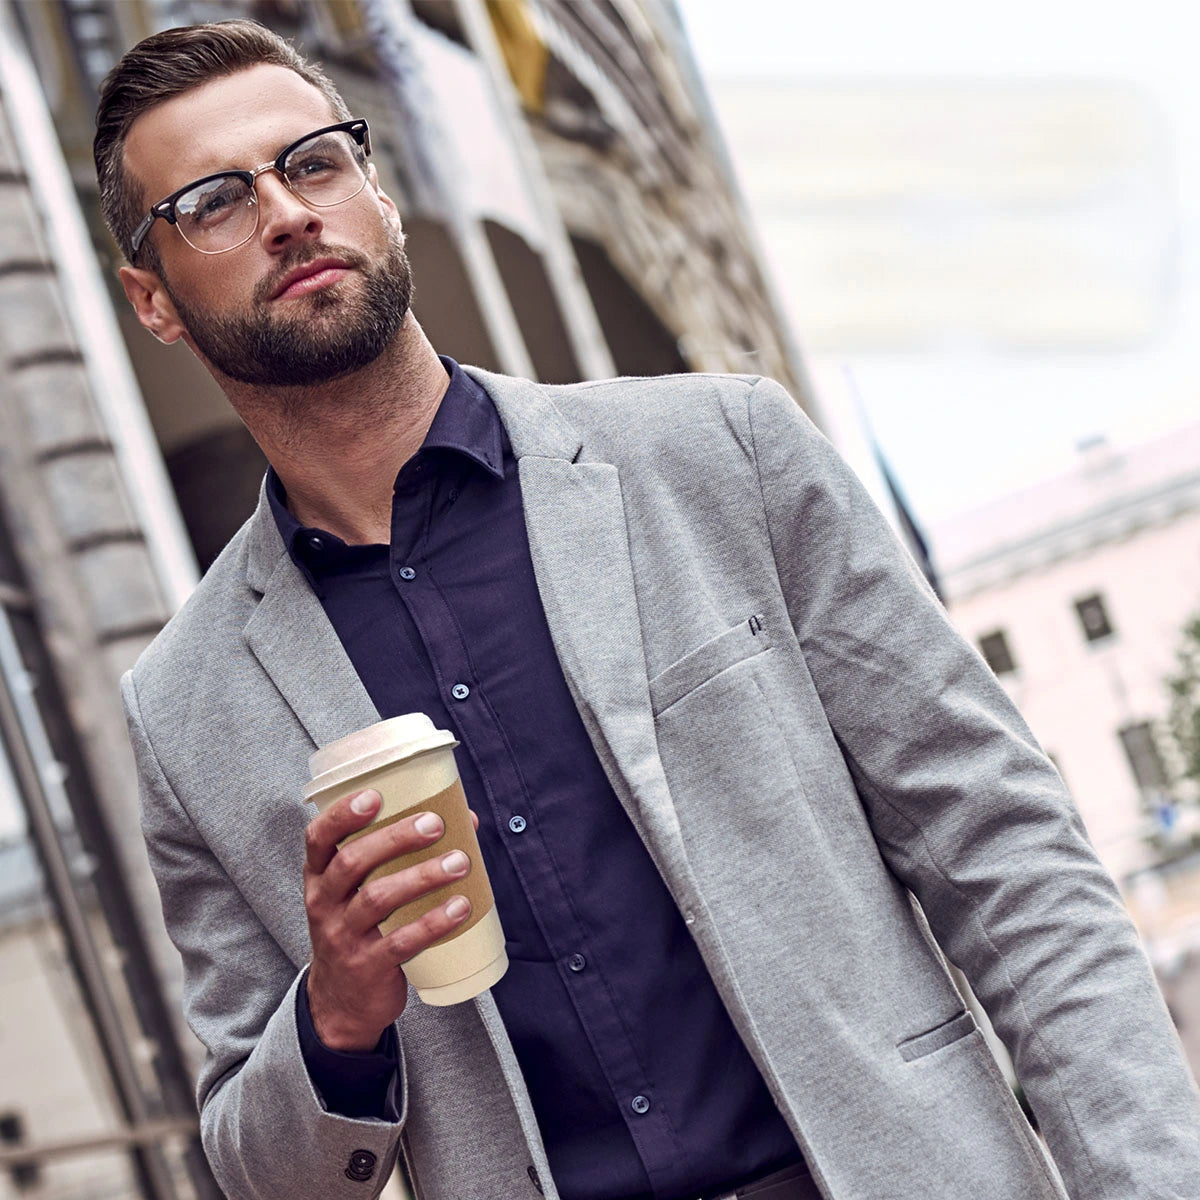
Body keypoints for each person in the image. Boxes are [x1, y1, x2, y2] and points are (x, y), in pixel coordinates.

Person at [97, 19, 1200, 1200]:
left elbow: (1005, 853)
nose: (286, 211)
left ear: (376, 187)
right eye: (214, 199)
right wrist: (335, 1017)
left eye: (313, 161)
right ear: (153, 301)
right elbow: (262, 1174)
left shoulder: (723, 453)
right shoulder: (183, 711)